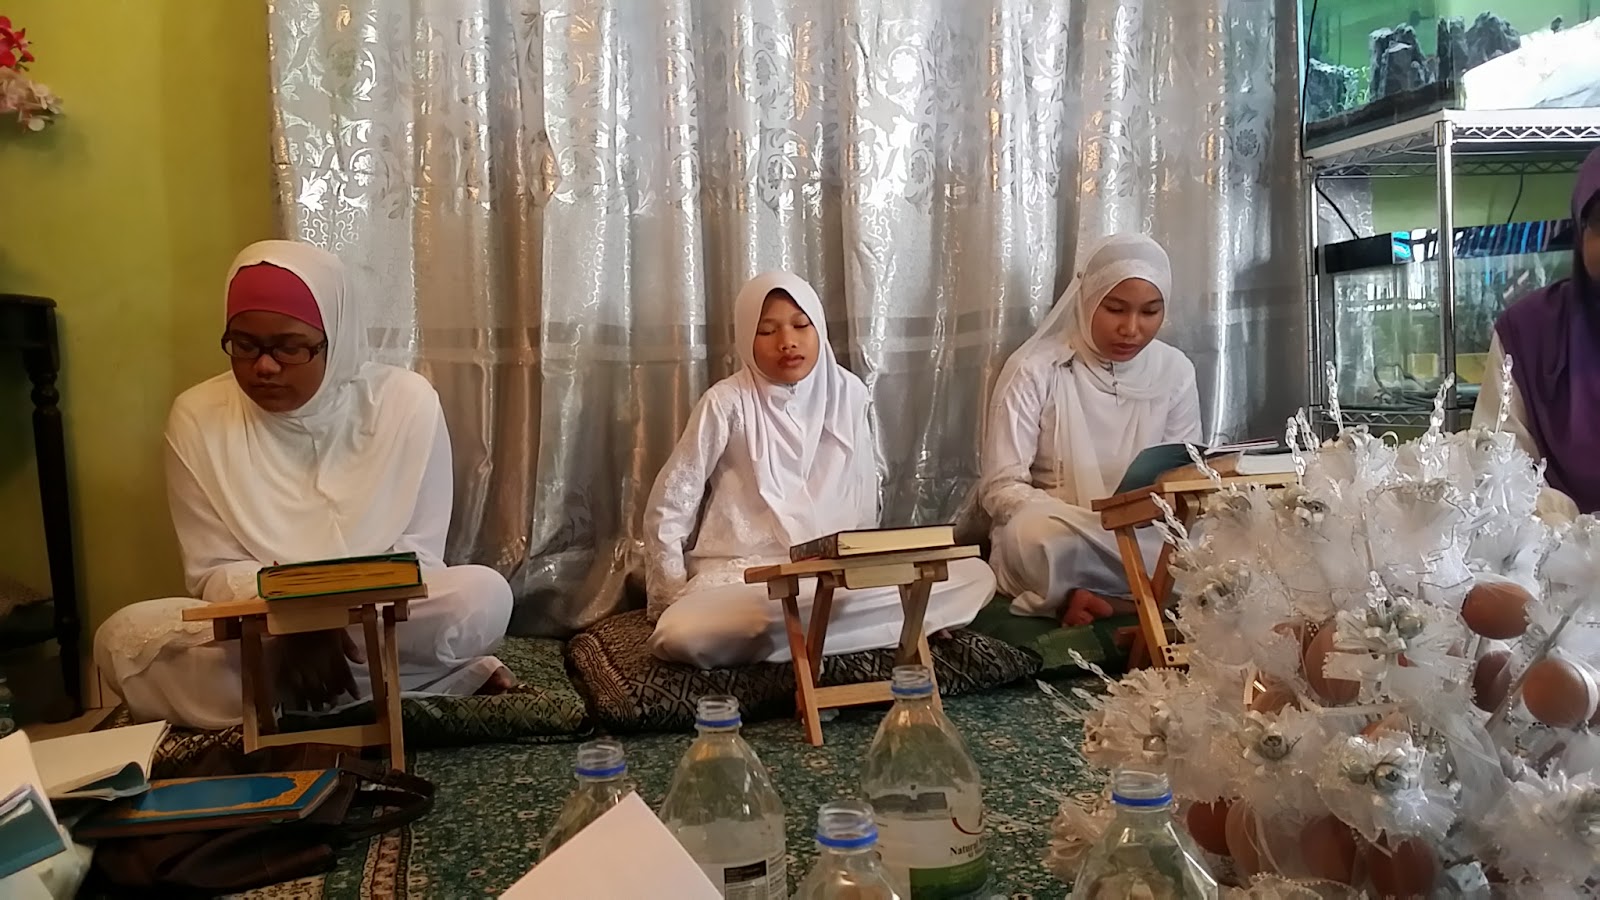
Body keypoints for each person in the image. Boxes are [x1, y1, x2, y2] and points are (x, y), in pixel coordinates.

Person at [94, 241, 515, 729]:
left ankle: (278, 699)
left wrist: (333, 619)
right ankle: (411, 683)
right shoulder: (198, 415)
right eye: (244, 345)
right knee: (119, 638)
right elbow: (215, 571)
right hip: (263, 627)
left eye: (289, 347)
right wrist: (292, 625)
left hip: (377, 614)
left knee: (483, 594)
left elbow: (419, 557)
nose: (264, 366)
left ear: (335, 338)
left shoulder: (407, 402)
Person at [644, 272, 996, 668]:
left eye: (801, 325)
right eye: (767, 330)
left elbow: (863, 500)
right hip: (750, 583)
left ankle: (813, 634)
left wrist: (874, 573)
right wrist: (669, 596)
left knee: (975, 575)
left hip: (838, 578)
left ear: (819, 328)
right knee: (682, 632)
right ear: (745, 337)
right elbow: (672, 503)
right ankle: (890, 626)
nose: (787, 342)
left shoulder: (849, 393)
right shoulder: (726, 403)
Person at [981, 234, 1201, 626]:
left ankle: (1106, 601)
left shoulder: (1176, 371)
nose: (1131, 329)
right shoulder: (1035, 369)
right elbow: (1001, 487)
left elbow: (1183, 476)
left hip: (1145, 530)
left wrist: (1142, 520)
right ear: (1086, 299)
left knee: (1222, 541)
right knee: (1030, 537)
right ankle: (1146, 596)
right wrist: (1082, 521)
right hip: (1065, 530)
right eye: (1115, 309)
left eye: (1150, 312)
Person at [1472, 147, 1600, 519]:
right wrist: (1559, 522)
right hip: (1556, 549)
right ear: (1580, 230)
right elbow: (1498, 465)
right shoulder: (1529, 333)